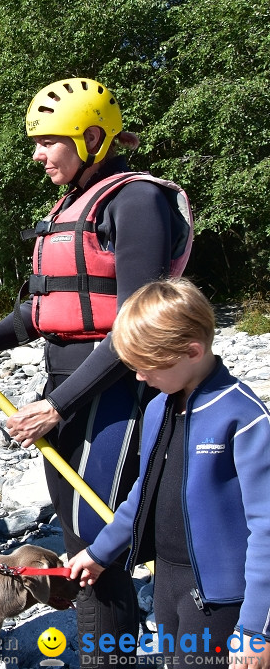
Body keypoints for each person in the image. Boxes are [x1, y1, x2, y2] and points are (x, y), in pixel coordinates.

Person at [0, 78, 193, 664]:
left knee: (99, 549)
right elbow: (43, 304)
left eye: (48, 141)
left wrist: (58, 406)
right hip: (69, 392)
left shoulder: (137, 201)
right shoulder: (71, 205)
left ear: (92, 137)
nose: (37, 155)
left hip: (116, 396)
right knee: (79, 541)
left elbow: (133, 323)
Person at [67, 279, 270, 667]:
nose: (140, 378)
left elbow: (267, 527)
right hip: (168, 582)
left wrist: (257, 630)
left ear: (192, 351)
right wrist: (100, 552)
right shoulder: (160, 406)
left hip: (220, 598)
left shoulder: (243, 418)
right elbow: (145, 491)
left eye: (147, 367)